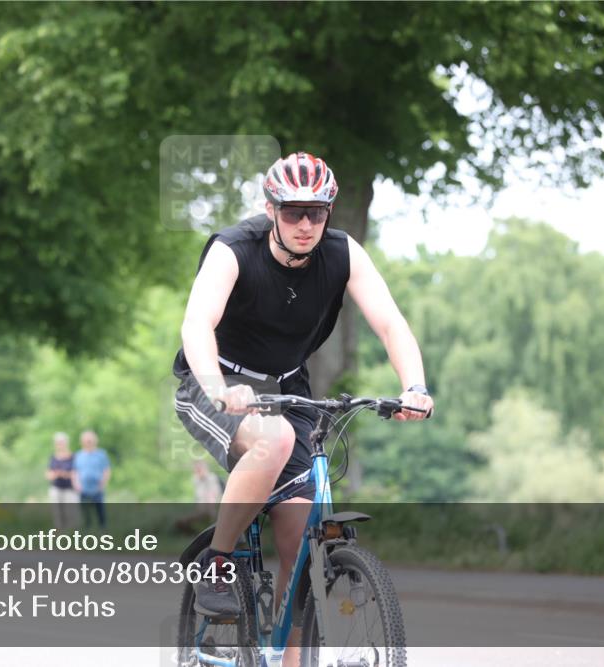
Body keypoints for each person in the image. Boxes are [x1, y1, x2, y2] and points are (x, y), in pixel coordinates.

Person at [172, 151, 433, 666]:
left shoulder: (342, 254)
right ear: (271, 210)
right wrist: (218, 386)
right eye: (293, 212)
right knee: (274, 440)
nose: (306, 224)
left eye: (317, 212)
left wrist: (414, 387)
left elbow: (390, 323)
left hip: (290, 388)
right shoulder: (234, 249)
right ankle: (220, 563)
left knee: (300, 547)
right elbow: (196, 323)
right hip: (216, 381)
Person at [73, 430, 111, 528]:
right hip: (83, 488)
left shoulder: (101, 454)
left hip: (97, 487)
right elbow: (75, 471)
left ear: (95, 441)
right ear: (82, 442)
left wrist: (103, 483)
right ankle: (87, 529)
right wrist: (76, 484)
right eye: (86, 441)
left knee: (100, 510)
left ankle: (103, 529)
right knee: (85, 511)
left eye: (90, 440)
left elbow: (106, 470)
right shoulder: (78, 455)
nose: (88, 442)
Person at [46, 432, 79, 530]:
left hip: (70, 488)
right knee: (57, 512)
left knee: (70, 512)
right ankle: (59, 531)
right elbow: (48, 474)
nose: (60, 444)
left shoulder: (73, 457)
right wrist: (56, 474)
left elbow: (76, 473)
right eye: (58, 442)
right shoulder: (53, 457)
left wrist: (65, 474)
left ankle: (71, 532)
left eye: (62, 442)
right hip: (56, 488)